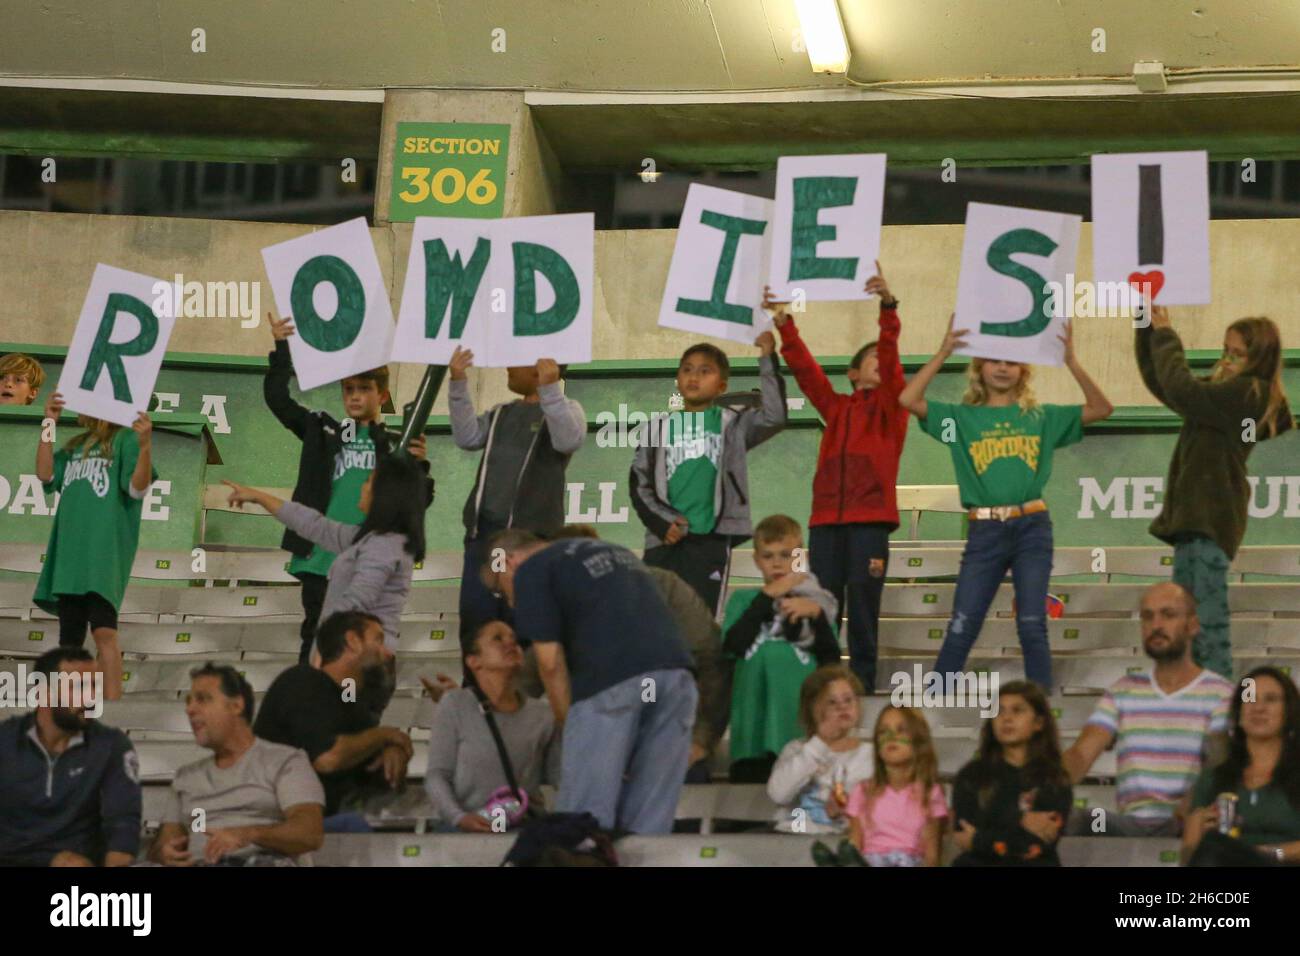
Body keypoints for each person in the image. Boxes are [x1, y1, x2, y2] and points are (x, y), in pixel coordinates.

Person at [899, 317, 1113, 690]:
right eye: (994, 359)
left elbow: (1101, 408)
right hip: (984, 529)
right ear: (979, 367)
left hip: (1032, 525)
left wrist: (1071, 361)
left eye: (1011, 361)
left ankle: (1041, 709)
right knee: (964, 621)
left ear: (1023, 371)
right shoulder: (960, 419)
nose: (1002, 367)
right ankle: (935, 704)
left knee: (1031, 622)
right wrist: (944, 350)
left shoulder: (1041, 417)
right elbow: (907, 399)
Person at [483, 530, 696, 834]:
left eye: (501, 589)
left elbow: (549, 662)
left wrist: (570, 730)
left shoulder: (534, 568)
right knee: (649, 823)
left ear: (509, 562)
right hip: (676, 683)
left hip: (613, 684)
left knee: (582, 824)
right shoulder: (613, 551)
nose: (509, 601)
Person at [767, 265, 908, 691]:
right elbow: (807, 373)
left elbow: (891, 355)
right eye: (871, 361)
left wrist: (887, 308)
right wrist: (784, 324)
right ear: (852, 374)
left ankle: (862, 682)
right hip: (826, 523)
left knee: (863, 607)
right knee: (823, 605)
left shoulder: (892, 409)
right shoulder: (837, 408)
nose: (880, 365)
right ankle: (824, 680)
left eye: (884, 361)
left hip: (870, 525)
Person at [263, 312, 431, 664]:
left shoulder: (396, 445)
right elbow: (279, 400)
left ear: (382, 395)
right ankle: (313, 706)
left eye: (364, 389)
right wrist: (282, 348)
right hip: (321, 557)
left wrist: (420, 468)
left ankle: (351, 707)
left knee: (360, 644)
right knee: (315, 638)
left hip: (370, 557)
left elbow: (418, 502)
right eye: (349, 389)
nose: (354, 397)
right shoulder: (324, 431)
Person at [1137, 306, 1293, 679]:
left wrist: (1166, 334)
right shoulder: (1224, 397)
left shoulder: (1246, 395)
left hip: (1210, 522)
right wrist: (1145, 324)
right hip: (1195, 523)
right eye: (1225, 350)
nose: (1227, 359)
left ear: (1258, 359)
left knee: (1208, 623)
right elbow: (1164, 384)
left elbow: (1181, 387)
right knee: (1189, 623)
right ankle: (1198, 694)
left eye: (1237, 354)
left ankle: (1221, 709)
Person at [222, 452, 427, 710]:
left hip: (358, 665)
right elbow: (314, 525)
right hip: (346, 658)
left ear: (385, 493)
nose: (362, 487)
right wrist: (260, 497)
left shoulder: (385, 544)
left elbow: (358, 601)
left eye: (368, 481)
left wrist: (325, 651)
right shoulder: (366, 538)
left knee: (342, 737)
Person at [546, 523, 731, 783]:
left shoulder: (664, 587)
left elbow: (710, 661)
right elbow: (530, 681)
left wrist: (700, 741)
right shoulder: (553, 613)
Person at [448, 348, 586, 675]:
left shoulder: (567, 411)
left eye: (518, 358)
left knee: (525, 626)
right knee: (478, 624)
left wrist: (551, 390)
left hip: (529, 546)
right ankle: (477, 703)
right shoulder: (501, 413)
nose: (508, 363)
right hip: (485, 541)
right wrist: (457, 382)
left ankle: (526, 706)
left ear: (543, 366)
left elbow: (568, 440)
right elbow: (467, 436)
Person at [630, 333, 788, 617]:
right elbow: (639, 484)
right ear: (677, 379)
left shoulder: (733, 425)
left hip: (709, 540)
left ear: (722, 385)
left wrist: (767, 357)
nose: (694, 377)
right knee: (655, 619)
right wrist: (661, 522)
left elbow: (775, 416)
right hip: (663, 538)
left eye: (706, 371)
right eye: (687, 369)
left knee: (702, 619)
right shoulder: (656, 428)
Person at [1063, 582, 1233, 837]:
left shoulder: (1221, 694)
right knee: (1061, 822)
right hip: (1130, 825)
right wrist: (1045, 794)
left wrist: (1188, 809)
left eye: (1168, 615)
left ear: (1192, 625)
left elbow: (1218, 765)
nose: (1156, 625)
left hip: (1189, 823)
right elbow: (1082, 754)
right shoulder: (1122, 691)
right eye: (1148, 616)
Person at [33, 391, 157, 700]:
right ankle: (69, 707)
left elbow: (137, 488)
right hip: (71, 555)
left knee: (104, 631)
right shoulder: (74, 445)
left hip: (104, 554)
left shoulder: (126, 439)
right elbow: (45, 474)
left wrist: (145, 446)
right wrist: (49, 423)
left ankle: (111, 707)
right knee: (69, 641)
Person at [150, 664, 324, 866]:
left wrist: (246, 834)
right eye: (188, 701)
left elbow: (309, 834)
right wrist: (165, 853)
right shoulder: (187, 777)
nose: (190, 709)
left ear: (236, 706)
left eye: (203, 699)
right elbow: (165, 842)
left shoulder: (284, 761)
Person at [253, 611, 412, 828]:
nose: (387, 653)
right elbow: (328, 758)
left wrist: (393, 749)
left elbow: (379, 773)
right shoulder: (303, 683)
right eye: (378, 640)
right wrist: (385, 735)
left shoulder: (352, 702)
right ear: (352, 641)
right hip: (276, 824)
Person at [723, 514, 840, 781]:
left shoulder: (816, 601)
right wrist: (768, 596)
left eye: (785, 555)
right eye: (768, 556)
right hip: (751, 729)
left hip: (798, 728)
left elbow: (831, 663)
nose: (777, 563)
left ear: (799, 556)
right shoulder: (742, 600)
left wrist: (818, 618)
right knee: (744, 810)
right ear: (756, 560)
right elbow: (734, 645)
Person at [0, 647, 140, 866]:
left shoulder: (111, 745)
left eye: (94, 686)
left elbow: (123, 820)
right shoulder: (5, 741)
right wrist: (48, 859)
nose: (92, 697)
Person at [424, 621, 560, 832]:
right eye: (498, 638)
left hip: (523, 825)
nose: (510, 644)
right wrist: (458, 817)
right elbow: (438, 774)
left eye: (514, 640)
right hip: (467, 824)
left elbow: (560, 776)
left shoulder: (542, 714)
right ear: (473, 661)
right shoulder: (455, 704)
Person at [1183, 666, 1300, 866]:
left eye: (1270, 699)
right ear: (1239, 713)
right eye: (1249, 698)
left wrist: (1270, 853)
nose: (1258, 707)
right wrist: (1193, 837)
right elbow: (1189, 858)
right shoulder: (1213, 777)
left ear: (1289, 711)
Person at [950, 680, 1072, 866]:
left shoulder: (1054, 779)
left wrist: (979, 840)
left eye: (1017, 710)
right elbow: (962, 834)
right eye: (999, 712)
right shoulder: (972, 775)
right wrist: (1021, 819)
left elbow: (1034, 847)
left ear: (1038, 723)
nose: (1006, 718)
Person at [767, 666, 873, 851]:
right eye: (832, 702)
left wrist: (849, 809)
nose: (842, 706)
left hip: (849, 844)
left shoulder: (870, 754)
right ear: (813, 709)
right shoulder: (798, 750)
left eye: (848, 700)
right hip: (793, 840)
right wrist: (819, 744)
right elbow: (779, 794)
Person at [845, 705, 947, 867]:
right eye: (883, 731)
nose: (891, 737)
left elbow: (932, 857)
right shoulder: (863, 791)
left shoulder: (930, 793)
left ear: (918, 741)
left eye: (901, 730)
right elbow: (854, 845)